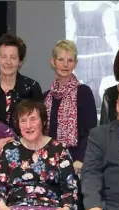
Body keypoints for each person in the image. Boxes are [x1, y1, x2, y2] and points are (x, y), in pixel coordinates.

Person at [0, 100, 79, 210]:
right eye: (23, 120)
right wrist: (2, 207)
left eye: (33, 119)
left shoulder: (59, 149)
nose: (28, 125)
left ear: (43, 121)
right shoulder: (9, 149)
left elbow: (70, 188)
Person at [0, 33, 44, 157]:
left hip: (26, 154)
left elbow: (39, 122)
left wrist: (18, 144)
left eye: (13, 57)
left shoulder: (32, 88)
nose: (8, 62)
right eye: (3, 56)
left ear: (20, 61)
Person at [44, 40, 98, 175]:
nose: (65, 64)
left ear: (75, 63)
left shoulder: (84, 92)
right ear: (53, 62)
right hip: (48, 160)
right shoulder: (46, 96)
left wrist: (80, 158)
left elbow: (90, 131)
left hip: (75, 162)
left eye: (70, 60)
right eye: (61, 59)